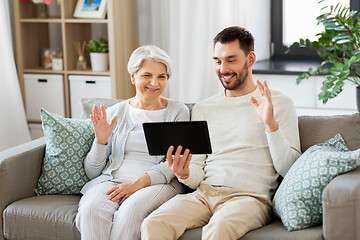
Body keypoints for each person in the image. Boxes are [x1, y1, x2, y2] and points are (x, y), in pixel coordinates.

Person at [141, 26, 301, 240]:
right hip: (205, 194)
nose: (223, 68)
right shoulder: (203, 109)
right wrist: (184, 173)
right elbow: (197, 173)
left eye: (231, 60)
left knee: (219, 228)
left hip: (250, 198)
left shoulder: (279, 104)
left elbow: (289, 168)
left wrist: (270, 124)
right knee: (154, 223)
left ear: (250, 59)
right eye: (217, 61)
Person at [75, 45, 189, 240]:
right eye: (147, 75)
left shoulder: (178, 111)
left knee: (129, 214)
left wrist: (136, 184)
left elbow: (174, 164)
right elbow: (92, 172)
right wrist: (100, 141)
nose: (154, 82)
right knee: (89, 211)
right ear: (133, 77)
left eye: (162, 76)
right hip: (111, 180)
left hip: (157, 183)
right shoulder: (114, 113)